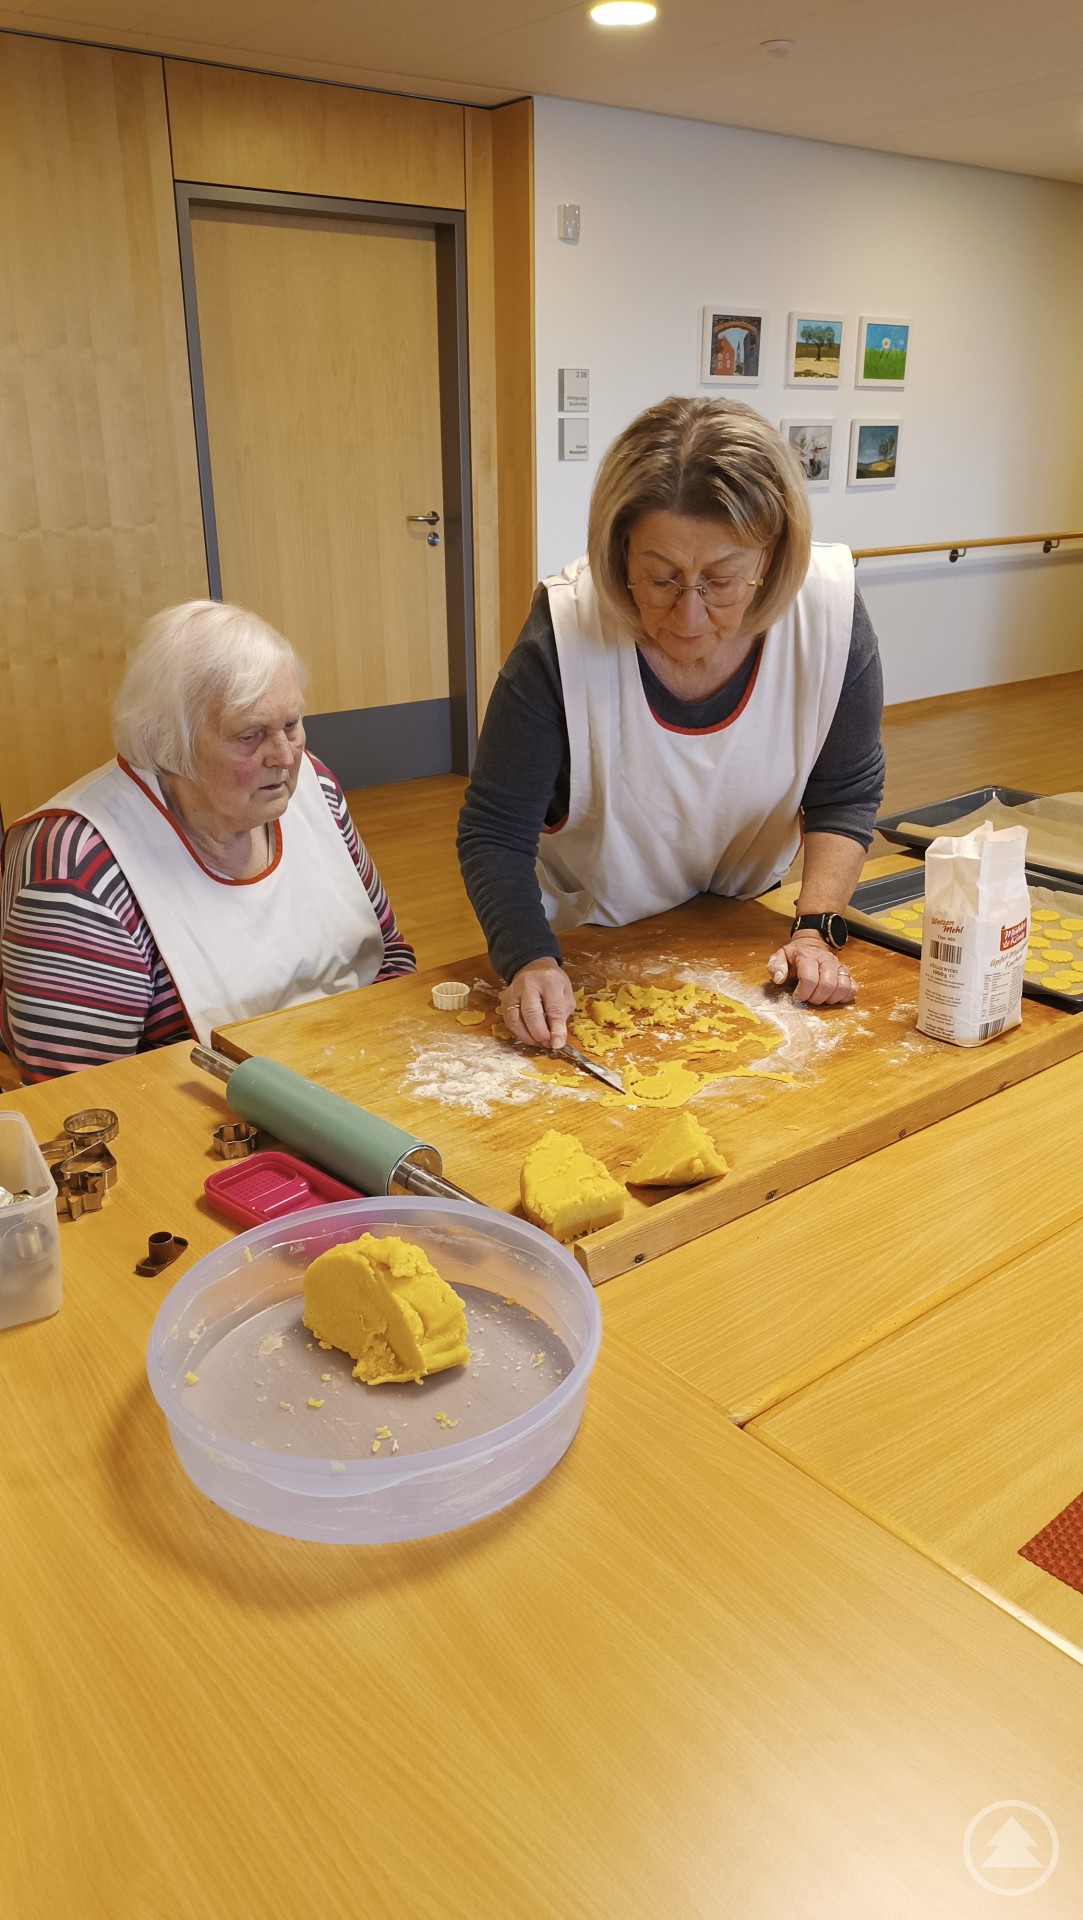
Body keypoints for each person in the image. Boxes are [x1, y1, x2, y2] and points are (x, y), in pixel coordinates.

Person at [457, 395, 885, 1052]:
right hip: (590, 935)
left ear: (768, 557)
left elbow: (843, 794)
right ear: (620, 552)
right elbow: (494, 830)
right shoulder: (564, 639)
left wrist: (815, 926)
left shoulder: (824, 615)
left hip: (741, 921)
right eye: (658, 578)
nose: (688, 617)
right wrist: (528, 961)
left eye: (720, 580)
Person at [0, 601, 414, 1081]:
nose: (284, 756)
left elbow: (389, 957)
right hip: (204, 1124)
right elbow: (81, 1100)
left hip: (357, 1074)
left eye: (291, 724)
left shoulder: (313, 788)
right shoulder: (77, 862)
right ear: (167, 744)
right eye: (249, 735)